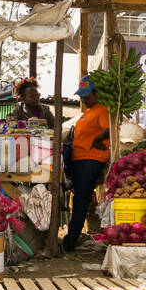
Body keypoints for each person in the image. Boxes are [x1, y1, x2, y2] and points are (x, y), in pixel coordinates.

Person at [63, 76, 110, 252]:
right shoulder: (88, 111)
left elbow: (111, 128)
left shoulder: (102, 110)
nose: (83, 99)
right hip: (79, 159)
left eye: (87, 96)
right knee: (78, 198)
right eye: (81, 96)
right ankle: (73, 235)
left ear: (97, 93)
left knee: (81, 198)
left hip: (91, 160)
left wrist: (98, 138)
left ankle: (71, 239)